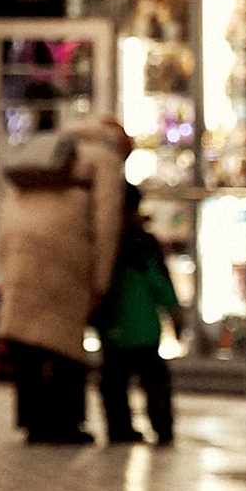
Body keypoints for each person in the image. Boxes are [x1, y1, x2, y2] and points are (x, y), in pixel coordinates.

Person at [0, 117, 125, 445]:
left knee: (25, 337)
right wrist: (100, 279)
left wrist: (4, 258)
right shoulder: (104, 158)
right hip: (66, 248)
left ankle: (32, 421)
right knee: (65, 340)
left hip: (19, 243)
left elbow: (7, 203)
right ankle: (65, 423)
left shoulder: (45, 146)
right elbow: (107, 220)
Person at [96, 179, 182, 445]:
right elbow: (161, 285)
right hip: (145, 330)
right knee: (154, 382)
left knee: (114, 384)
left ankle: (120, 429)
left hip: (113, 329)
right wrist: (174, 314)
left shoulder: (106, 245)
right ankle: (162, 427)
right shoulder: (145, 244)